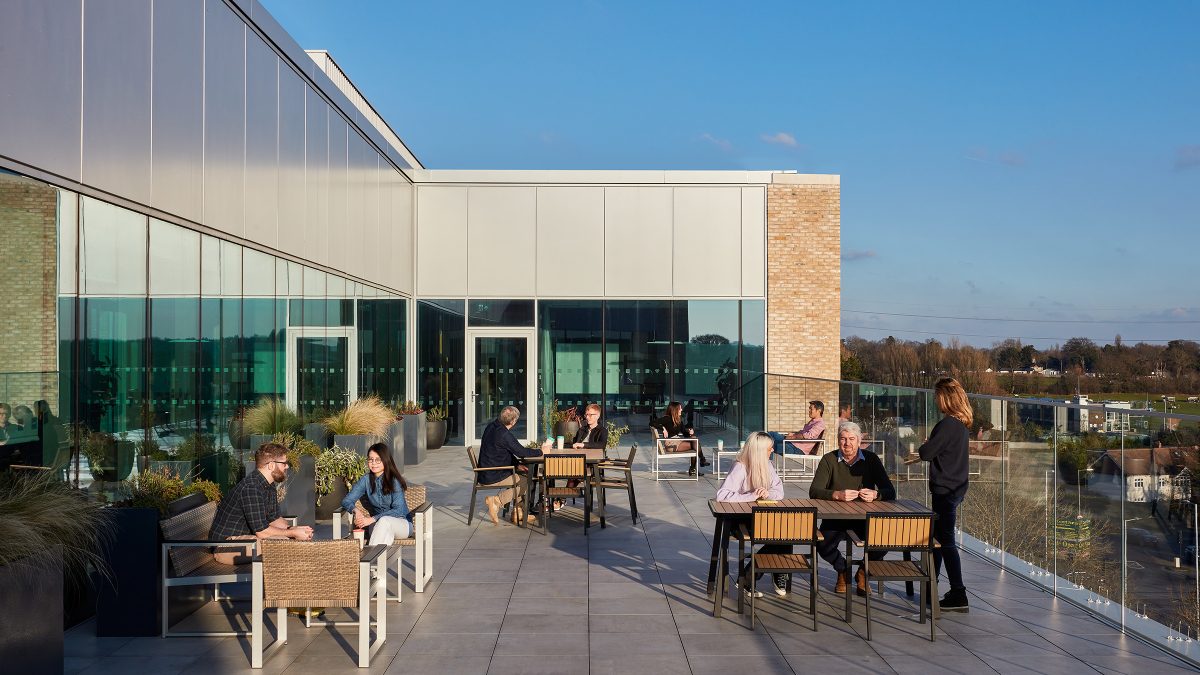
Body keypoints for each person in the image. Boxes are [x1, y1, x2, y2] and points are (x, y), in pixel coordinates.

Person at [809, 421, 896, 596]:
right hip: (835, 519)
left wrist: (875, 495)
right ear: (838, 440)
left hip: (865, 519)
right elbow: (814, 491)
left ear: (859, 441)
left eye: (851, 439)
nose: (847, 443)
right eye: (843, 439)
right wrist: (836, 495)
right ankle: (843, 570)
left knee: (886, 539)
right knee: (822, 544)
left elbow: (890, 491)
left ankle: (863, 572)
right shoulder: (829, 459)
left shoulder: (871, 459)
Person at [912, 377, 971, 612]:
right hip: (954, 489)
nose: (935, 400)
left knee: (944, 542)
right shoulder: (960, 426)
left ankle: (958, 592)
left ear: (945, 397)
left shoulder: (947, 425)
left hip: (944, 490)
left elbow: (926, 453)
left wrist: (927, 444)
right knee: (938, 540)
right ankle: (932, 586)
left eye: (937, 396)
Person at [209, 441, 313, 565]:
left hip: (249, 540)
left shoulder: (268, 485)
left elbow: (274, 519)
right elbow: (262, 532)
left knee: (290, 542)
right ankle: (279, 583)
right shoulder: (251, 488)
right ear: (271, 465)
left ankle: (294, 582)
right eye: (284, 463)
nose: (287, 467)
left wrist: (294, 529)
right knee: (282, 546)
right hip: (227, 546)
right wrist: (292, 533)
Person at [716, 431, 790, 597]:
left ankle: (758, 574)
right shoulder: (740, 466)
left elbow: (779, 491)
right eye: (769, 449)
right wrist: (752, 495)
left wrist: (767, 493)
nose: (772, 451)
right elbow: (722, 495)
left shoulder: (767, 465)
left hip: (762, 518)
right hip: (740, 521)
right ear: (759, 450)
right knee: (780, 534)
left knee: (787, 530)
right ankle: (755, 576)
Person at [479, 406, 544, 526]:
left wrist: (517, 464)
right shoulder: (504, 434)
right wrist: (541, 451)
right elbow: (522, 452)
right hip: (493, 474)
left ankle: (518, 513)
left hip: (485, 472)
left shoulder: (492, 426)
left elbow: (502, 451)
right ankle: (497, 500)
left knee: (522, 475)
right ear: (513, 421)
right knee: (525, 480)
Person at [342, 443, 412, 546]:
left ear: (385, 460)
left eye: (378, 460)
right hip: (378, 526)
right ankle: (379, 561)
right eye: (370, 459)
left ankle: (368, 558)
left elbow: (399, 510)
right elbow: (346, 501)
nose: (373, 463)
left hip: (402, 524)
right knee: (385, 536)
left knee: (384, 521)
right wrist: (356, 511)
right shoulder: (365, 480)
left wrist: (372, 519)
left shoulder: (394, 481)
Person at [652, 401, 708, 475]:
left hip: (678, 441)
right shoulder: (667, 419)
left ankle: (698, 464)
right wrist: (663, 428)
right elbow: (652, 422)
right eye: (680, 408)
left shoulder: (679, 420)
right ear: (675, 410)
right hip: (671, 444)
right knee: (695, 444)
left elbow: (685, 434)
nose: (681, 410)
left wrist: (689, 433)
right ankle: (697, 464)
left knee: (694, 439)